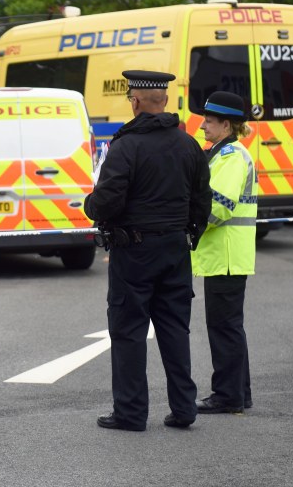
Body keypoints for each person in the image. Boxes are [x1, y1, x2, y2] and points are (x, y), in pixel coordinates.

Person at [84, 70, 211, 431]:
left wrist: (89, 205)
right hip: (175, 249)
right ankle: (185, 409)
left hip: (134, 252)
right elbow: (203, 200)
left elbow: (107, 200)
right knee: (174, 329)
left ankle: (130, 413)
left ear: (135, 101)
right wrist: (189, 235)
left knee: (128, 332)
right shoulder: (188, 145)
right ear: (165, 101)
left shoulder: (127, 146)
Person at [192, 91, 258, 415]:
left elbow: (219, 207)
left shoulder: (232, 156)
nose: (203, 125)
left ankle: (227, 395)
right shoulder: (220, 154)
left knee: (224, 328)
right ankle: (238, 394)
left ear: (226, 125)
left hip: (227, 256)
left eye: (209, 120)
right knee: (230, 327)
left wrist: (188, 225)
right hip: (225, 256)